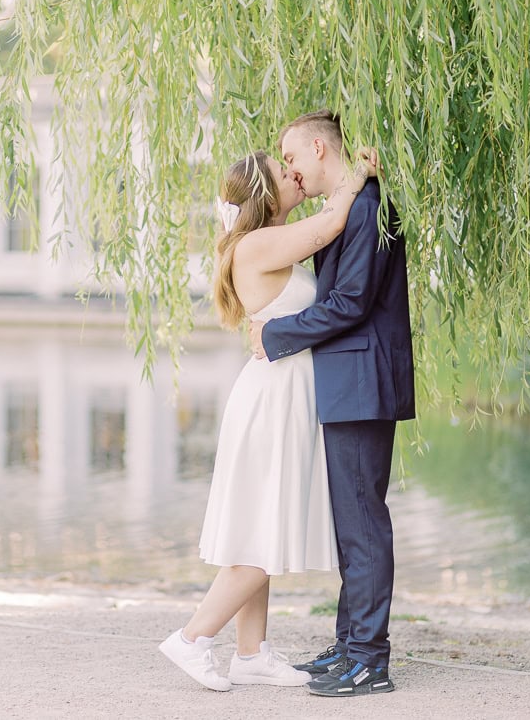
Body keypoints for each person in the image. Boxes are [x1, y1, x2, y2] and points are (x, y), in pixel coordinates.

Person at [159, 145, 379, 691]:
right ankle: (191, 639)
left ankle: (251, 654)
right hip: (273, 400)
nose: (296, 174)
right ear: (264, 194)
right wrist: (355, 176)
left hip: (279, 394)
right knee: (262, 534)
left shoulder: (262, 241)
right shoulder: (258, 243)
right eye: (285, 172)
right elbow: (329, 225)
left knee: (258, 525)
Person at [249, 110, 415, 697]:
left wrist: (275, 335)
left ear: (319, 149)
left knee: (364, 523)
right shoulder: (354, 203)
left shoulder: (368, 207)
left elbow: (348, 303)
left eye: (292, 157)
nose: (290, 169)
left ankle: (370, 658)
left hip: (363, 382)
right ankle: (351, 642)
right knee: (354, 523)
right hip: (351, 383)